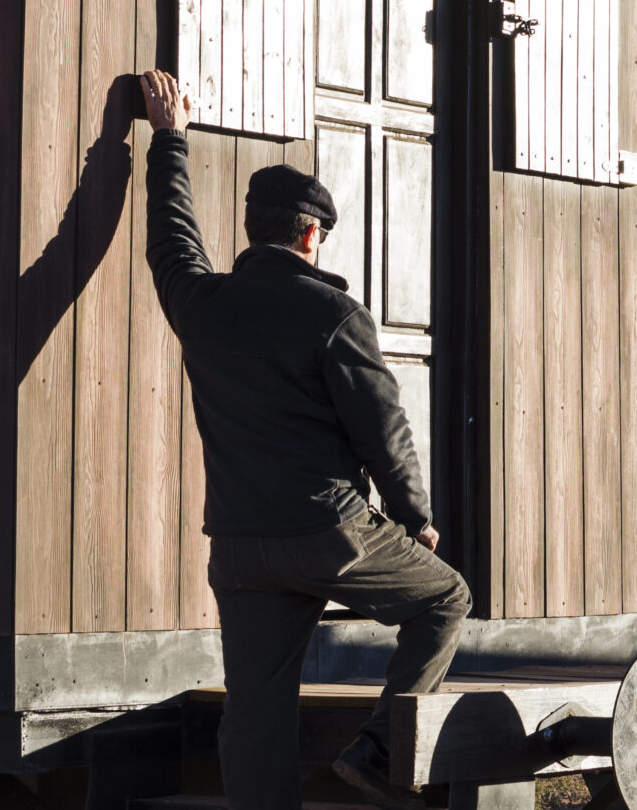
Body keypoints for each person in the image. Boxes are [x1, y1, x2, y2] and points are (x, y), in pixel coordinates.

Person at [137, 68, 470, 810]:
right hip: (330, 533)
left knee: (255, 715)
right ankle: (381, 752)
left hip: (241, 545)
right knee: (447, 596)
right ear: (312, 234)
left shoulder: (204, 304)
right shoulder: (335, 315)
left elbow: (171, 240)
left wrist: (169, 140)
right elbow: (384, 430)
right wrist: (414, 516)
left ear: (255, 228)